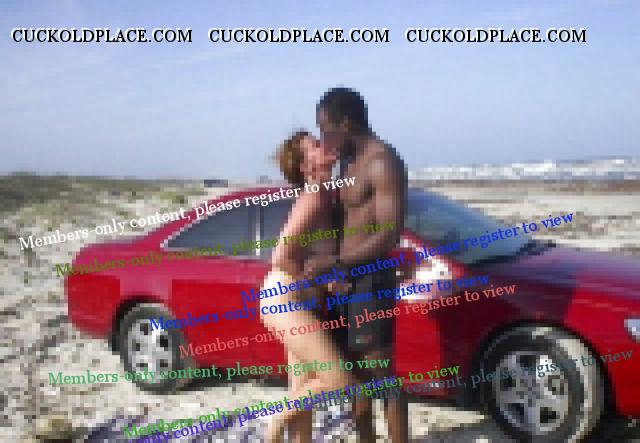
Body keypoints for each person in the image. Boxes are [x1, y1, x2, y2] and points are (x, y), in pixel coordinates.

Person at [310, 87, 409, 443]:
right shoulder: (346, 162)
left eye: (325, 127)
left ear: (346, 123)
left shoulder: (382, 162)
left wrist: (336, 262)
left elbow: (389, 234)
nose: (323, 136)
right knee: (353, 376)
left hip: (370, 280)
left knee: (382, 376)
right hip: (342, 283)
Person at [259, 130, 355, 443]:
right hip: (284, 299)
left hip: (301, 302)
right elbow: (280, 256)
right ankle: (276, 419)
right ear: (306, 166)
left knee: (303, 390)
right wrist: (316, 279)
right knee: (340, 382)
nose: (324, 144)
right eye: (315, 145)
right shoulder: (314, 196)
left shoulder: (325, 195)